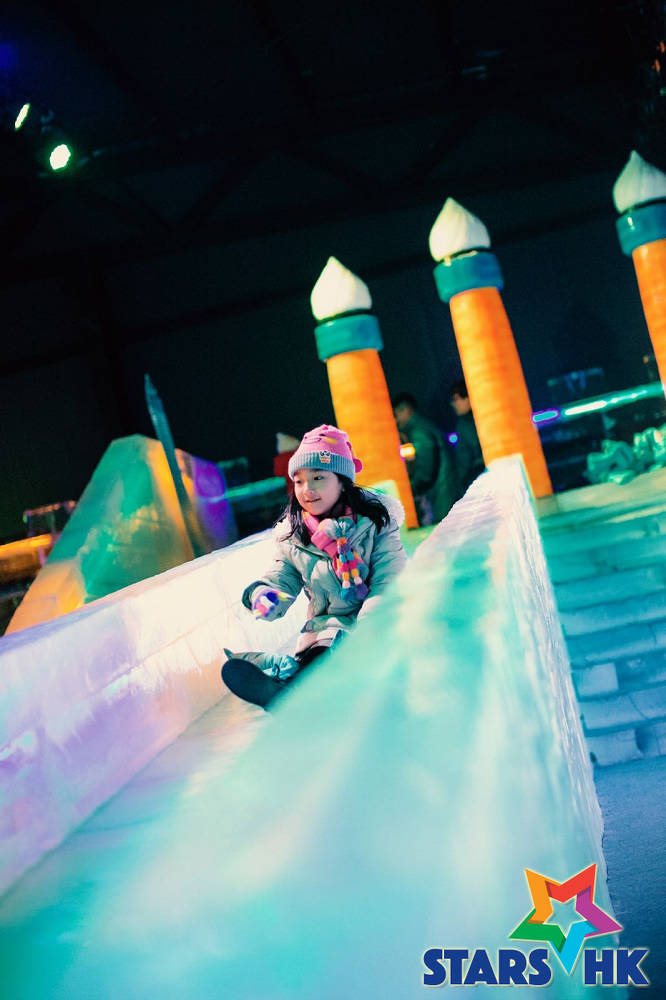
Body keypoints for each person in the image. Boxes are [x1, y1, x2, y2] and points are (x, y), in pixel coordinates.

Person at [221, 424, 407, 709]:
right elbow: (282, 574)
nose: (307, 490)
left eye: (318, 477)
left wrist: (369, 626)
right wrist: (264, 593)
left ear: (342, 481)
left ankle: (288, 679)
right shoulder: (294, 537)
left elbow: (388, 580)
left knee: (348, 655)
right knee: (324, 652)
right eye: (299, 481)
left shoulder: (375, 524)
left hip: (377, 622)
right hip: (325, 630)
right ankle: (287, 684)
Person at [392, 392, 458, 526]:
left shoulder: (419, 432)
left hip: (442, 497)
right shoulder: (424, 427)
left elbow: (426, 469)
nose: (395, 421)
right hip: (445, 492)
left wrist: (412, 488)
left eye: (396, 415)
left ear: (407, 410)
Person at [449, 378, 484, 495]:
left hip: (476, 480)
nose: (453, 404)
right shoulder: (468, 422)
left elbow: (464, 459)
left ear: (468, 398)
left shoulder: (464, 425)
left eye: (456, 399)